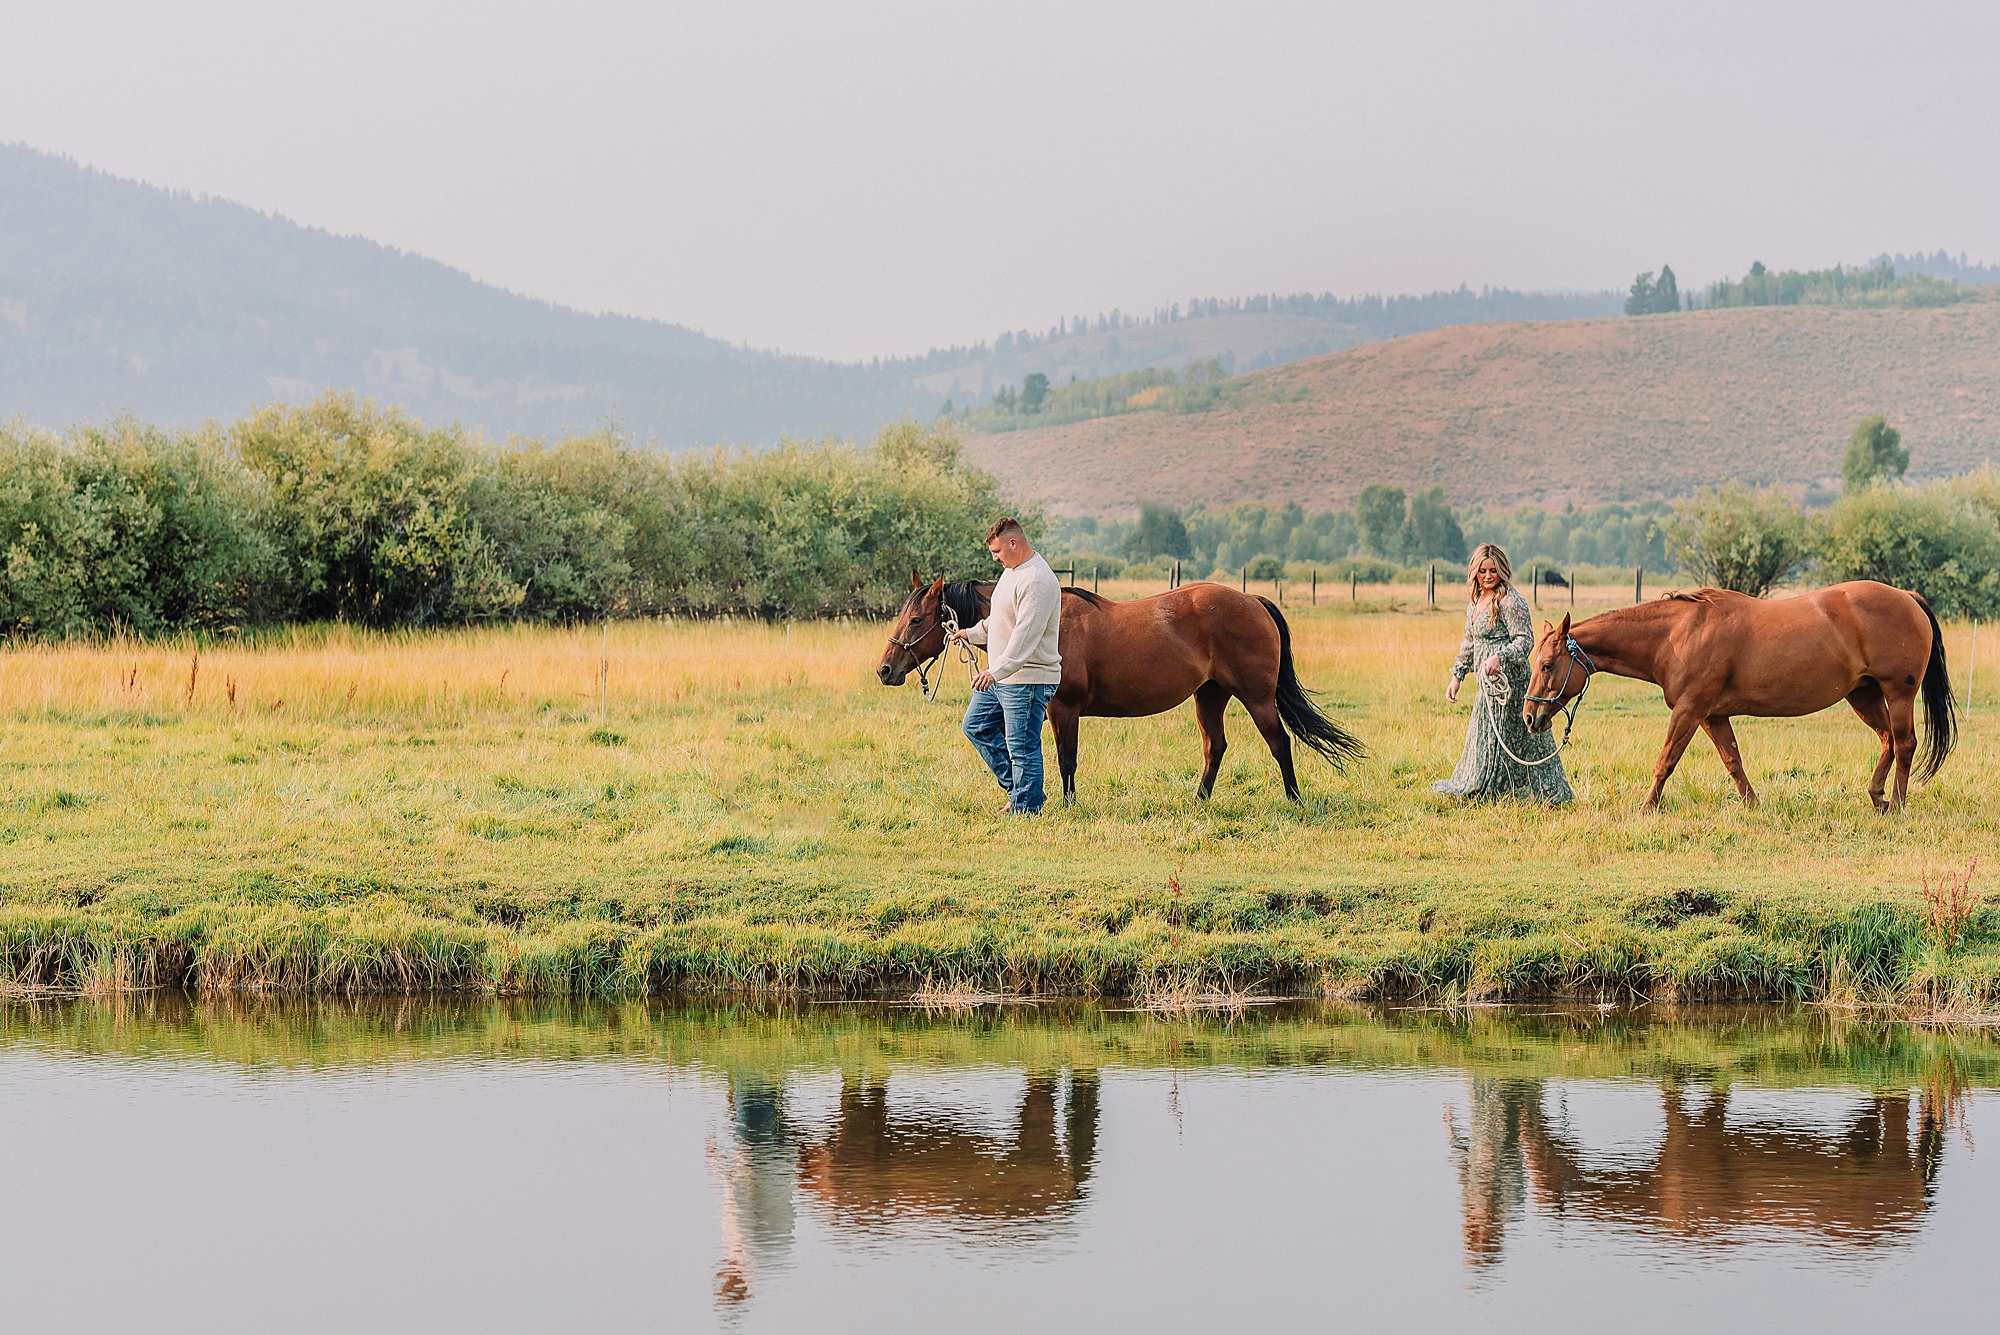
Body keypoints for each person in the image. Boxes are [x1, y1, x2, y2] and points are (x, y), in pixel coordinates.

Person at [1433, 543, 1573, 804]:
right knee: (1484, 737)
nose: (1488, 576)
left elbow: (1525, 639)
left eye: (1493, 570)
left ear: (1502, 571)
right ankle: (1484, 788)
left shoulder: (1511, 600)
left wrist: (1500, 655)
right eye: (1483, 570)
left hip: (1512, 683)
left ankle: (1526, 794)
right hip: (1487, 686)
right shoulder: (1475, 603)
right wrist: (1457, 676)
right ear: (1475, 572)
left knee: (1519, 742)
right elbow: (1470, 641)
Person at [951, 517, 1063, 814]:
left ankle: (1026, 810)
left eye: (997, 551)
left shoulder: (1037, 580)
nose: (995, 558)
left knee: (1022, 747)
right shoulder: (1012, 573)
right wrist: (970, 633)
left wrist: (993, 672)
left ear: (1014, 543)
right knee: (976, 726)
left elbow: (1024, 638)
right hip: (1004, 678)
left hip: (1027, 679)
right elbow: (999, 622)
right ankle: (1022, 792)